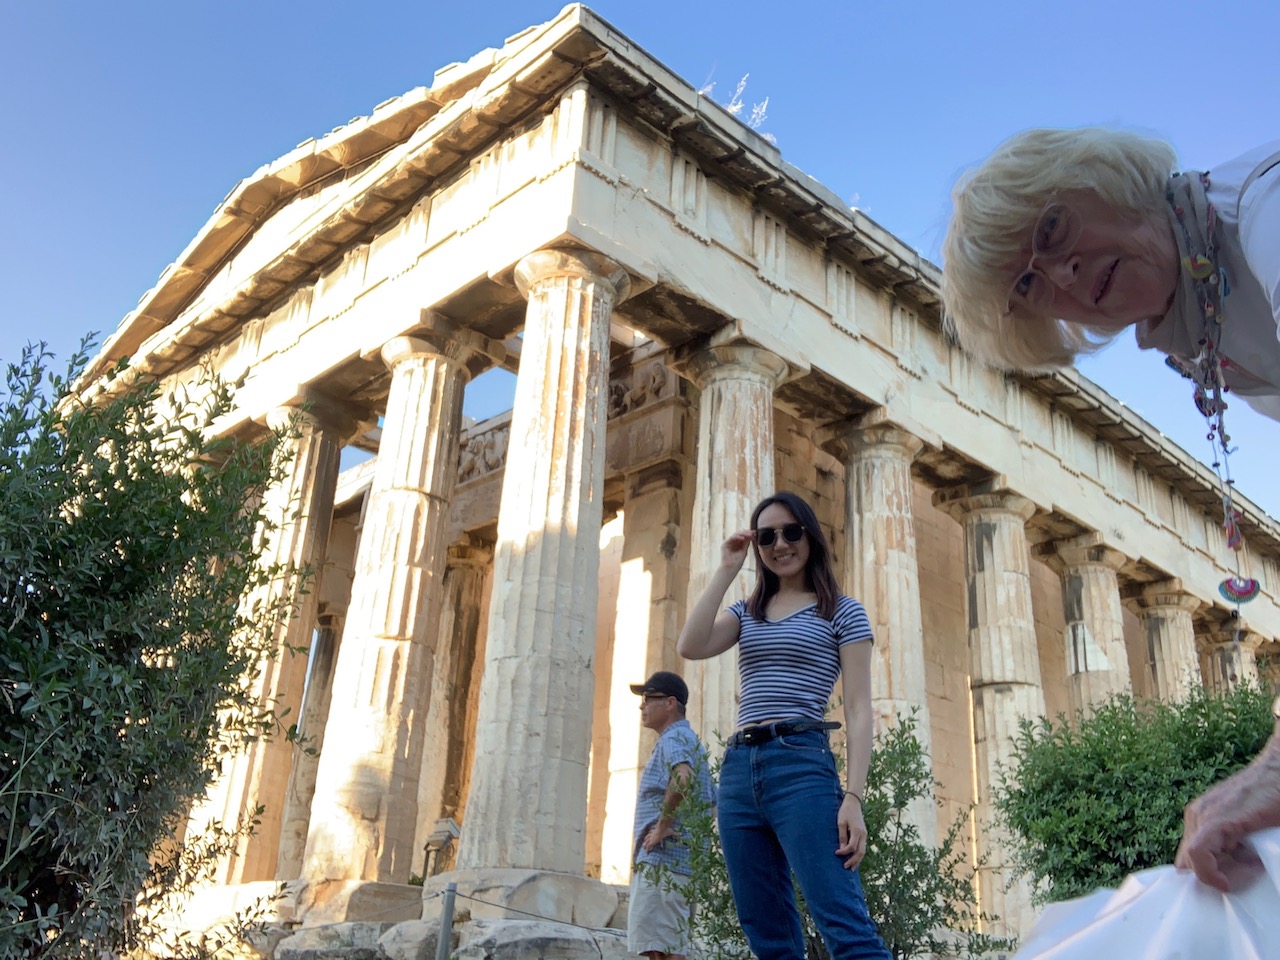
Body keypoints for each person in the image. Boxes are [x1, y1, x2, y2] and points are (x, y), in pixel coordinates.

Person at [941, 126, 1280, 892]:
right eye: (1029, 286)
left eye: (1054, 228)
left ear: (1101, 176)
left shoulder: (1265, 210)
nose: (1062, 272)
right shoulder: (1205, 319)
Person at [677, 491, 891, 960]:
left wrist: (854, 797)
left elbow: (859, 710)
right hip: (739, 772)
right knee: (767, 935)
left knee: (844, 925)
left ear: (810, 536)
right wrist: (726, 569)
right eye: (767, 536)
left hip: (800, 765)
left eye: (791, 532)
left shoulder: (842, 611)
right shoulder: (747, 611)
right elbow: (690, 645)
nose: (780, 544)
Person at [627, 670, 715, 960]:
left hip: (663, 861)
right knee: (668, 948)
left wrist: (662, 826)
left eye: (648, 698)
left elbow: (682, 778)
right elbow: (712, 802)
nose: (642, 705)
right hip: (681, 864)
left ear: (670, 703)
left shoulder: (673, 738)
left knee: (661, 951)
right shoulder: (691, 742)